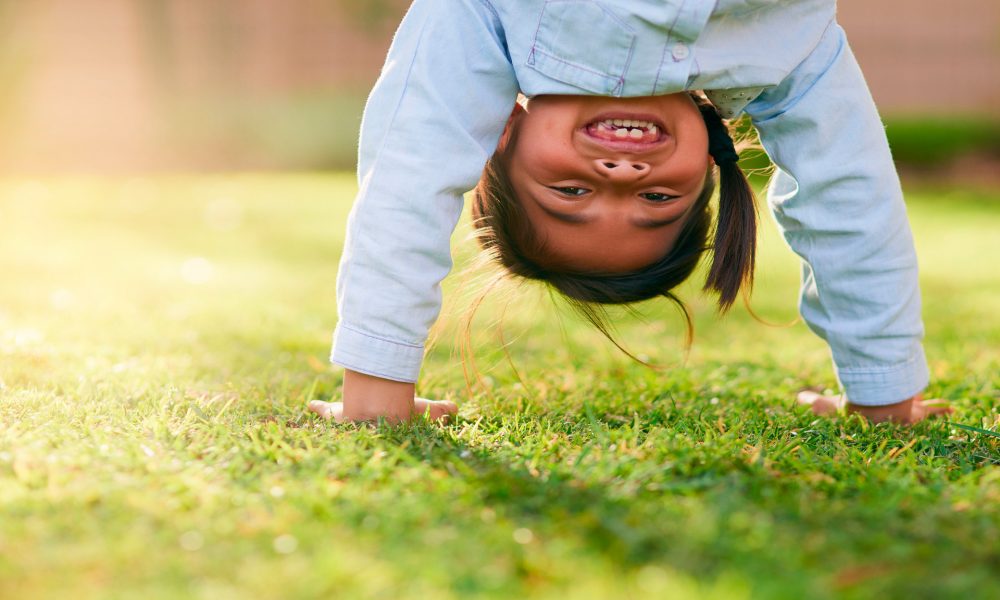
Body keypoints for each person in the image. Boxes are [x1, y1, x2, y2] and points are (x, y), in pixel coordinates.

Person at [307, 0, 950, 425]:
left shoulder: (487, 14)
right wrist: (883, 396)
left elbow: (409, 177)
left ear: (503, 135)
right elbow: (849, 200)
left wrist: (376, 393)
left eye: (569, 194)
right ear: (706, 166)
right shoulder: (786, 48)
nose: (621, 176)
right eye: (658, 200)